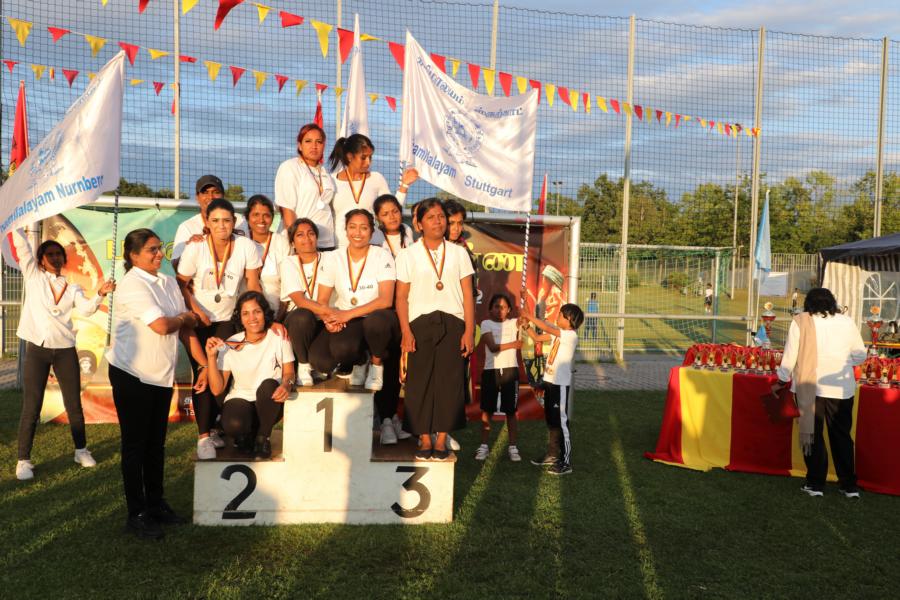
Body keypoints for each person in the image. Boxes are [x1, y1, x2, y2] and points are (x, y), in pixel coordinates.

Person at [106, 228, 207, 539]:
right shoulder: (132, 284)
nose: (160, 254)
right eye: (152, 249)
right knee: (135, 446)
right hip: (132, 375)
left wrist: (204, 364)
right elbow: (163, 325)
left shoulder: (167, 282)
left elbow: (185, 329)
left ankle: (156, 504)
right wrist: (185, 318)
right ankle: (136, 514)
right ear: (133, 256)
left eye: (159, 248)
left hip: (160, 377)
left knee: (156, 445)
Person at [10, 227, 115, 481]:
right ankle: (23, 460)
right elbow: (23, 248)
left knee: (73, 404)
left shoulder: (72, 287)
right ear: (40, 260)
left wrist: (101, 293)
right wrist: (17, 223)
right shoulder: (33, 276)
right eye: (50, 254)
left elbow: (87, 309)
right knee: (32, 405)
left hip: (65, 349)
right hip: (38, 349)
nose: (55, 258)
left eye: (59, 254)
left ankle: (81, 451)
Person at [176, 198, 262, 460]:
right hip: (198, 321)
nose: (221, 225)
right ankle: (203, 436)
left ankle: (216, 427)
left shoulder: (246, 246)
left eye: (226, 220)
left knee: (220, 372)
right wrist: (197, 311)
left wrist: (257, 315)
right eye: (215, 221)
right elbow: (181, 283)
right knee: (202, 373)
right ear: (207, 222)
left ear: (234, 222)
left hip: (227, 320)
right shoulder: (196, 247)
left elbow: (253, 283)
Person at [396, 199, 475, 461]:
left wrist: (469, 331)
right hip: (419, 323)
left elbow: (467, 293)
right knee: (419, 381)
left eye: (441, 216)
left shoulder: (459, 253)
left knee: (449, 382)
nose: (438, 222)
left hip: (453, 322)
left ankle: (441, 438)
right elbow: (401, 297)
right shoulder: (408, 255)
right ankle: (424, 437)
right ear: (418, 224)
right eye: (430, 217)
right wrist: (406, 331)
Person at [773, 287, 867, 498]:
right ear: (832, 302)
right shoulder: (846, 321)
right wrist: (843, 362)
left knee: (812, 435)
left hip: (809, 386)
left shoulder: (800, 321)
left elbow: (790, 355)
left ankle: (815, 483)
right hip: (841, 389)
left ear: (808, 303)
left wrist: (782, 379)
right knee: (841, 435)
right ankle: (849, 485)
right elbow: (860, 355)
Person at [313, 209, 399, 394]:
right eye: (352, 227)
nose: (357, 233)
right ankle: (361, 360)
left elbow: (386, 300)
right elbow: (322, 300)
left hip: (376, 316)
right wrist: (328, 319)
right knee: (321, 361)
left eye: (364, 228)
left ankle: (376, 365)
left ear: (372, 231)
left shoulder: (382, 255)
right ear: (345, 230)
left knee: (377, 322)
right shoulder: (334, 257)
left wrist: (346, 315)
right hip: (347, 317)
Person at [205, 291, 296, 459]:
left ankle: (263, 438)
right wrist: (211, 357)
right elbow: (217, 389)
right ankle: (246, 436)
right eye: (245, 313)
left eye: (257, 311)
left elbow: (289, 372)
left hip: (270, 402)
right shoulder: (231, 343)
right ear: (240, 318)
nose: (252, 318)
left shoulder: (279, 336)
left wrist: (286, 384)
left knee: (268, 385)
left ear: (265, 313)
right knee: (234, 424)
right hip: (241, 399)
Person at [520, 303, 584, 475]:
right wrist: (526, 325)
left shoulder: (570, 335)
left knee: (562, 423)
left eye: (561, 315)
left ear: (569, 319)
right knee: (552, 422)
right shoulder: (559, 334)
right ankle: (553, 455)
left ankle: (566, 462)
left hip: (560, 386)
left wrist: (529, 316)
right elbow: (537, 337)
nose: (558, 316)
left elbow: (546, 326)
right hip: (550, 383)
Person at [328, 133, 418, 247]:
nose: (368, 162)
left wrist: (404, 185)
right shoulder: (331, 180)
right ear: (350, 156)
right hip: (341, 245)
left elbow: (392, 209)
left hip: (372, 244)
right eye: (363, 157)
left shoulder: (376, 178)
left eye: (370, 157)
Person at [280, 218, 334, 386]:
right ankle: (303, 365)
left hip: (324, 321)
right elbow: (299, 300)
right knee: (303, 315)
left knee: (324, 364)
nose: (307, 238)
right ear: (293, 242)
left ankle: (316, 363)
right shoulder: (288, 262)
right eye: (300, 235)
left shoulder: (331, 258)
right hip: (299, 321)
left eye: (311, 233)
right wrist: (332, 313)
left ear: (317, 237)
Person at [474, 293, 523, 462]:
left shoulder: (514, 323)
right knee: (487, 410)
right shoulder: (486, 324)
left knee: (511, 411)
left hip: (510, 371)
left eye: (503, 307)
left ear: (509, 310)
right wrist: (513, 344)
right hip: (491, 370)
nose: (499, 310)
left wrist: (524, 300)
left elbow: (526, 318)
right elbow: (493, 347)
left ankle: (513, 447)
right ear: (490, 309)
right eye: (496, 306)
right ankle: (484, 446)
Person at [274, 123, 337, 250]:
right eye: (308, 141)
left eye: (319, 142)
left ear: (323, 146)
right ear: (299, 145)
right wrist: (296, 244)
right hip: (302, 244)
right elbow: (287, 210)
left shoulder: (325, 172)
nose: (314, 146)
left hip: (326, 242)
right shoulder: (290, 167)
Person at [171, 175, 248, 266]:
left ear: (223, 195)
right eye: (205, 192)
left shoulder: (240, 220)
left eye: (216, 192)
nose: (211, 197)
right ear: (197, 197)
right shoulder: (187, 227)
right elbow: (175, 265)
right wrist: (188, 248)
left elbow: (249, 255)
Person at [245, 194, 291, 320]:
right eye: (256, 215)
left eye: (266, 215)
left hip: (277, 313)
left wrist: (279, 318)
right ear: (247, 217)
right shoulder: (241, 241)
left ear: (272, 218)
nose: (261, 220)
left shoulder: (282, 242)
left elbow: (287, 284)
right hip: (247, 315)